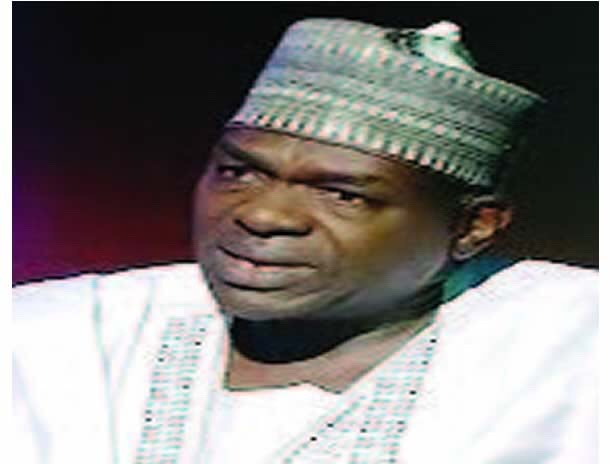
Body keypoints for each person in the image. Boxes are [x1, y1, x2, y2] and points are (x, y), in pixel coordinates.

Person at [13, 18, 597, 464]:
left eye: (341, 194)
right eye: (239, 172)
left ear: (473, 227)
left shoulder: (574, 347)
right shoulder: (57, 337)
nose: (262, 215)